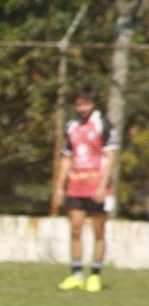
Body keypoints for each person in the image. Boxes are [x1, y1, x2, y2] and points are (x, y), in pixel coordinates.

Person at [53, 85, 118, 293]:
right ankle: (76, 274)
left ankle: (95, 276)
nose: (82, 108)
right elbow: (66, 157)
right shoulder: (71, 126)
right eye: (79, 104)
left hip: (97, 186)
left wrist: (102, 185)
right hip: (75, 185)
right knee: (75, 229)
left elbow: (111, 157)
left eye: (86, 104)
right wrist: (59, 187)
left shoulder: (103, 125)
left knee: (98, 231)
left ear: (94, 104)